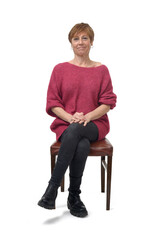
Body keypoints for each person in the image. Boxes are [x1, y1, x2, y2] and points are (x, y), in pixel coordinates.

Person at [38, 22, 117, 217]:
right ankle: (74, 196)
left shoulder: (101, 70)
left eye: (84, 38)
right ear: (70, 43)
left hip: (95, 123)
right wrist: (71, 117)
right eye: (76, 38)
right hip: (66, 123)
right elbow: (53, 102)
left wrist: (88, 116)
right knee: (79, 142)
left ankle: (51, 190)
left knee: (77, 131)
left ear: (91, 42)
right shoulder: (59, 70)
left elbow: (107, 102)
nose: (80, 42)